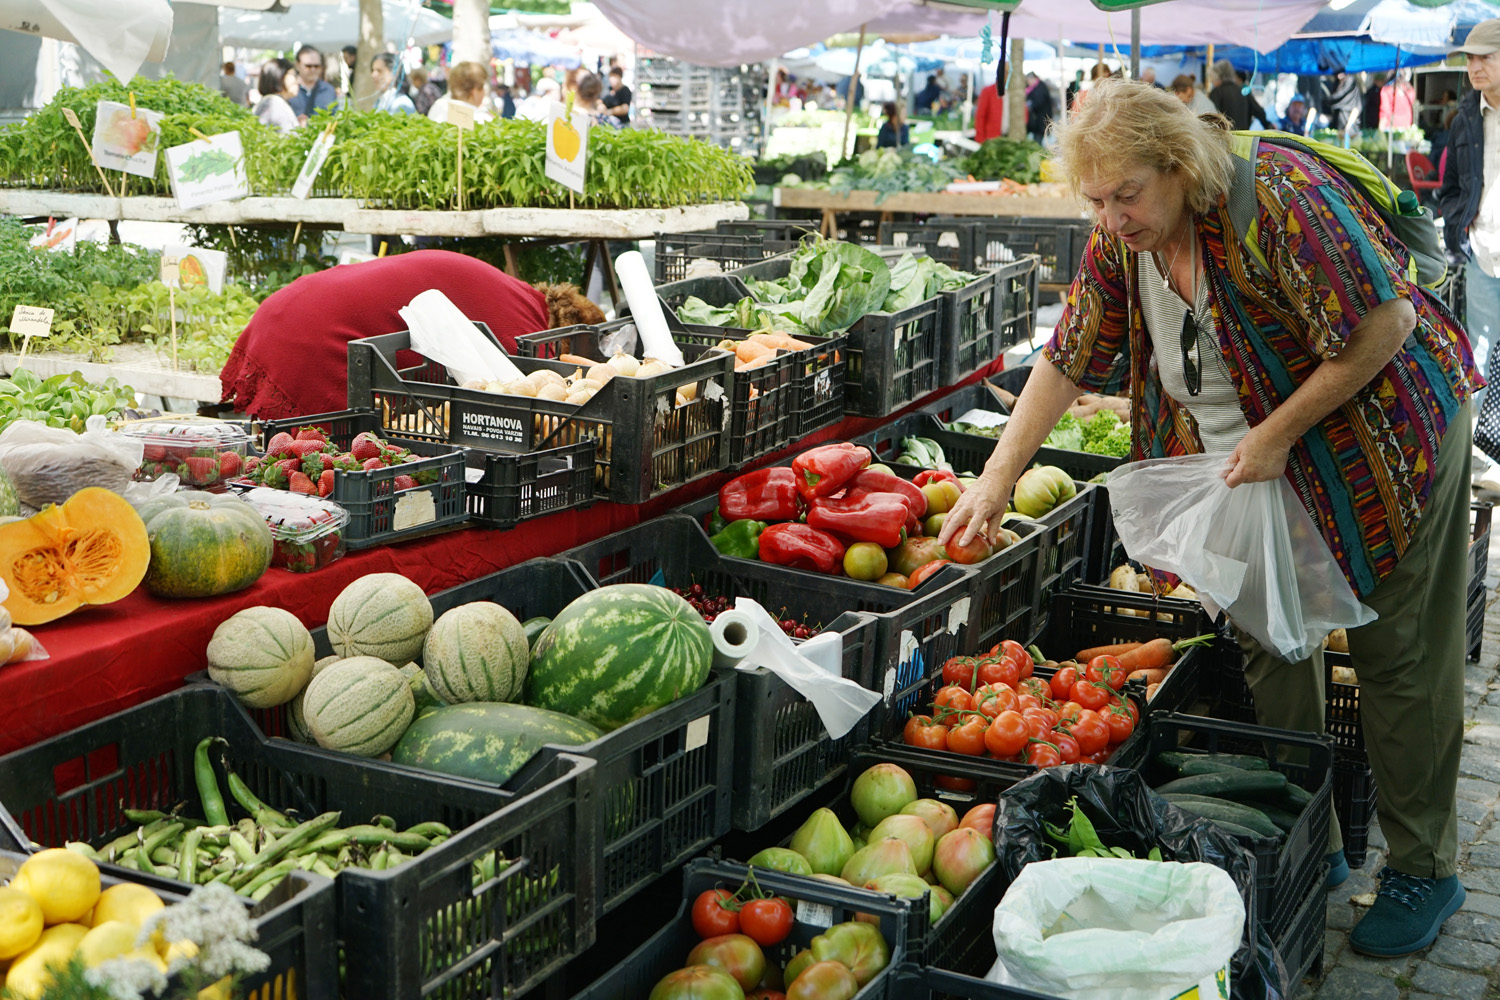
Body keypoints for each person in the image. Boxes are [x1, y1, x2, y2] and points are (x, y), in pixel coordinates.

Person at [941, 78, 1480, 959]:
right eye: (1096, 200)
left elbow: (1387, 321)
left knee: (1394, 654)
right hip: (1258, 464)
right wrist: (997, 480)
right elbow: (1071, 353)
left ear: (1182, 168)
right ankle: (1309, 838)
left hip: (1384, 449)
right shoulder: (1127, 239)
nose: (1111, 218)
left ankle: (1426, 866)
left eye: (1126, 196)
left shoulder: (1279, 202)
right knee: (1271, 639)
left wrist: (1276, 432)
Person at [220, 251, 606, 421]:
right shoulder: (519, 331)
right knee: (331, 455)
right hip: (312, 336)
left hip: (289, 307)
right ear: (566, 339)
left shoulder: (513, 293)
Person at [1439, 18, 1500, 417]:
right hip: (1481, 251)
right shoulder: (1465, 119)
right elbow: (1451, 188)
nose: (1475, 67)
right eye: (1470, 59)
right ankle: (1481, 442)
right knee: (1480, 345)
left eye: (1486, 57)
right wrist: (1459, 225)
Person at [427, 62, 493, 125]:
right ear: (474, 91)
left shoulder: (438, 105)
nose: (484, 92)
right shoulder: (480, 118)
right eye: (482, 88)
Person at [1207, 59, 1264, 130]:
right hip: (1243, 137)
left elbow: (1211, 117)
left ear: (1218, 76)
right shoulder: (1243, 91)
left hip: (1225, 137)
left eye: (1212, 78)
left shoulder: (1216, 92)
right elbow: (1259, 112)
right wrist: (1268, 125)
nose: (1212, 81)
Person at [287, 45, 338, 124]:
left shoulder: (329, 90)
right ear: (297, 65)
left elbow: (335, 117)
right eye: (308, 66)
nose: (313, 69)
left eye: (316, 66)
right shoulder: (289, 89)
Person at [253, 59, 299, 134]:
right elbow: (289, 138)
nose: (297, 80)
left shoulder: (271, 102)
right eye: (293, 75)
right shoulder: (274, 104)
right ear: (280, 76)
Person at [974, 79, 1005, 144]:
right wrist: (980, 140)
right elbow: (980, 116)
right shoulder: (988, 91)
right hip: (991, 139)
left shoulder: (1015, 93)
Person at [1024, 72, 1054, 142]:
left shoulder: (1041, 88)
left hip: (1041, 120)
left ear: (1033, 79)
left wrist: (1029, 105)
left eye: (1028, 80)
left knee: (1038, 139)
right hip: (1037, 120)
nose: (1028, 82)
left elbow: (1038, 103)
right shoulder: (1033, 88)